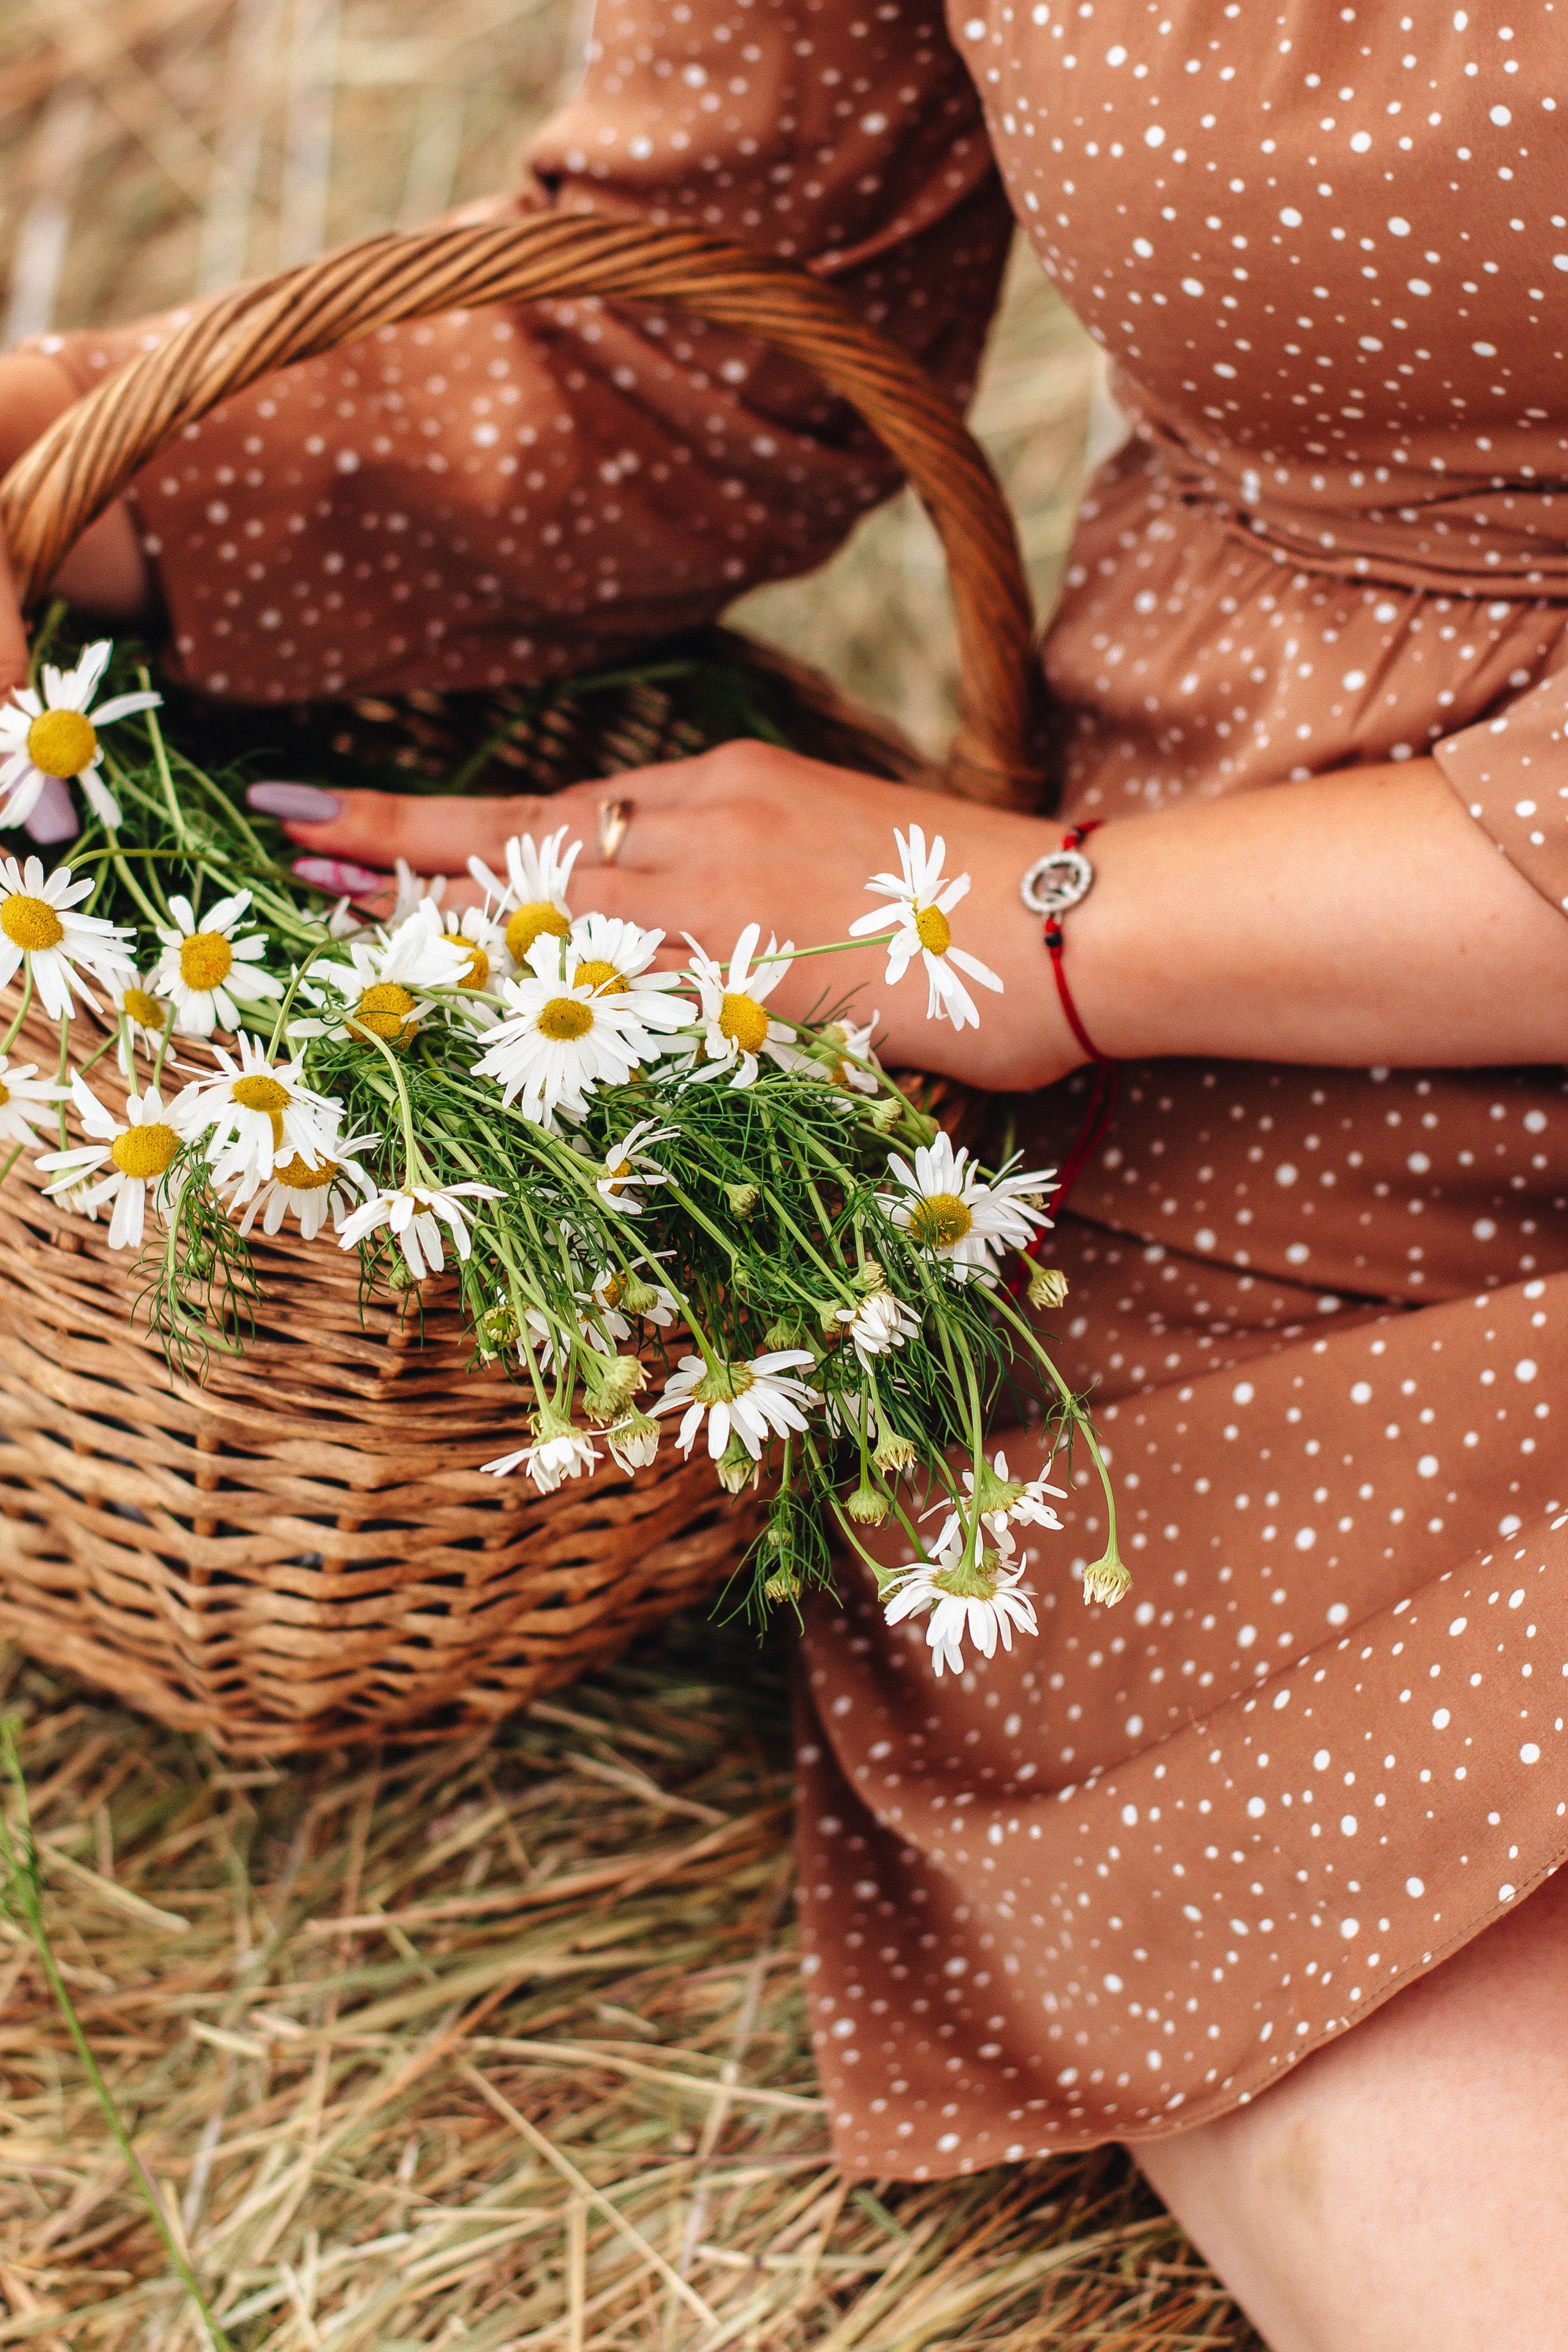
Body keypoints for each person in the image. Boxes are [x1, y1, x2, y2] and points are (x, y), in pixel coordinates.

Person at [4, 6, 1568, 2342]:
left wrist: (1034, 937)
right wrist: (46, 460)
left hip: (1147, 943)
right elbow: (701, 328)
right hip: (1306, 1048)